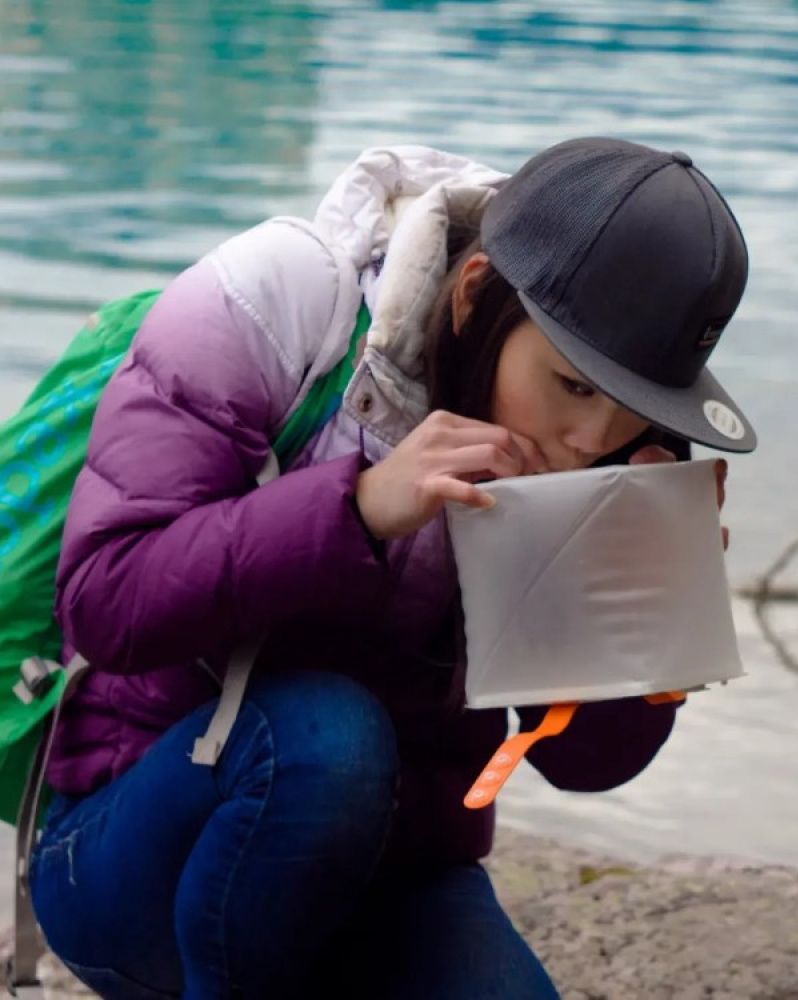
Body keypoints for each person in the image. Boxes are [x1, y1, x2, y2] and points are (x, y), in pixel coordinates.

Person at [28, 138, 756, 1000]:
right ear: (476, 291)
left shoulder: (620, 450)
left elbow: (585, 765)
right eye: (573, 386)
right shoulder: (278, 302)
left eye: (629, 402)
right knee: (328, 738)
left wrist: (645, 623)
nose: (591, 441)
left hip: (389, 876)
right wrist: (362, 507)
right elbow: (104, 601)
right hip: (133, 851)